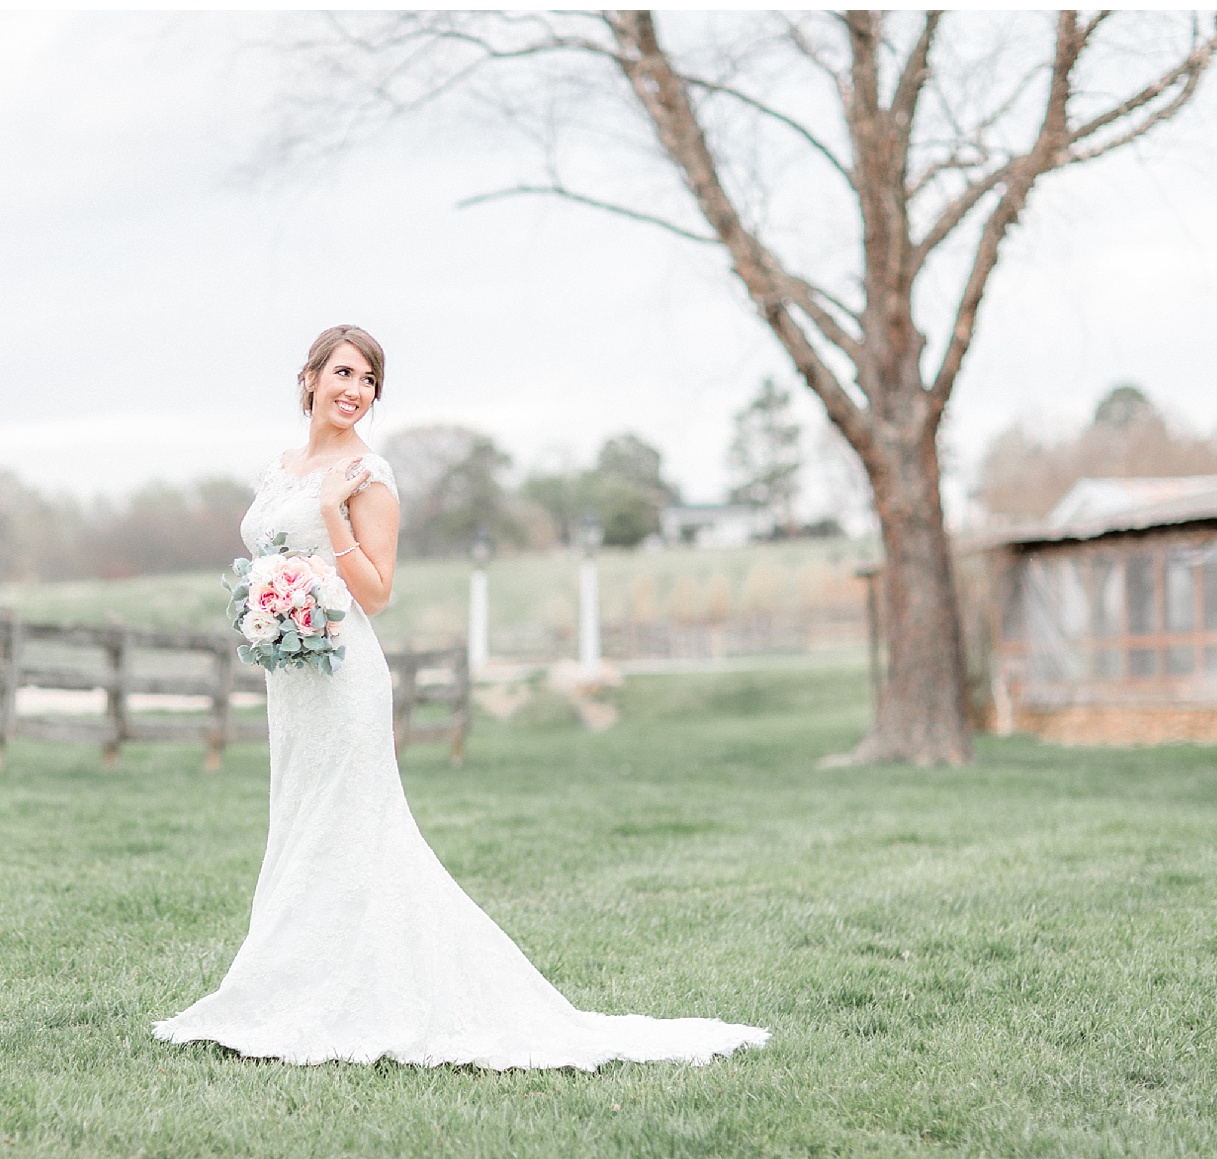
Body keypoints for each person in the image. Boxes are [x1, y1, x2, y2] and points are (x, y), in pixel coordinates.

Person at [153, 324, 768, 1070]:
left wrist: (339, 515)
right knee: (298, 821)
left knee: (351, 830)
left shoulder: (369, 475)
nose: (355, 390)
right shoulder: (280, 467)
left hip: (345, 674)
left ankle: (350, 997)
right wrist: (269, 602)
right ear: (309, 376)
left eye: (370, 379)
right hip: (293, 679)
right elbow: (270, 551)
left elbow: (375, 593)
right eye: (343, 372)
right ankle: (289, 983)